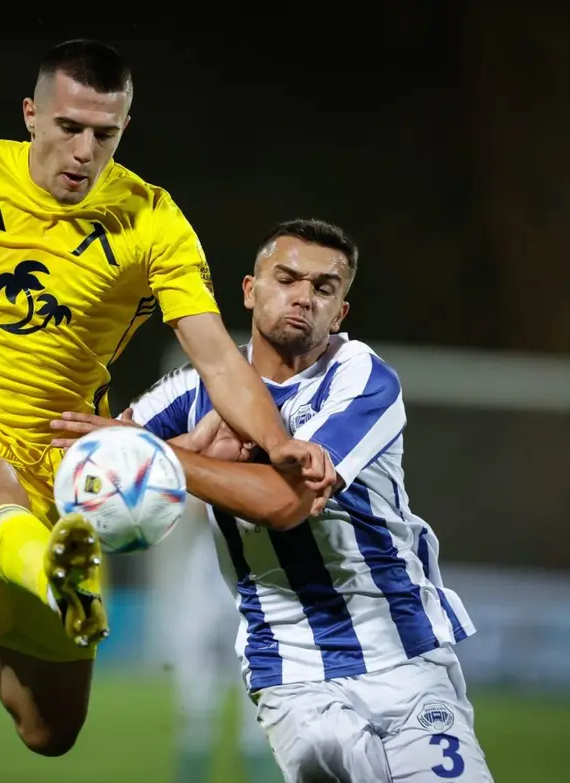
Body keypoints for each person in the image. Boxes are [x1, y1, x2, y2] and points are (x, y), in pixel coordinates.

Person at [0, 39, 336, 757]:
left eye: (104, 134)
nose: (83, 151)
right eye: (68, 127)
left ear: (125, 127)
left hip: (57, 471)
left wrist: (279, 441)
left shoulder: (152, 221)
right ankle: (46, 572)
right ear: (31, 114)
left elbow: (218, 358)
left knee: (49, 730)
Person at [52, 218, 494, 781]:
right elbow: (96, 473)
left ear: (340, 313)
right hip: (292, 670)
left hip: (403, 654)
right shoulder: (192, 389)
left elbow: (286, 504)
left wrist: (167, 459)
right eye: (287, 279)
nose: (304, 297)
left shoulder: (360, 378)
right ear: (250, 290)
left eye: (324, 288)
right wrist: (186, 449)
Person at [154, 496, 281, 783]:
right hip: (209, 577)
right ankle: (191, 772)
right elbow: (199, 509)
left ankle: (260, 769)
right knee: (195, 703)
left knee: (258, 707)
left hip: (257, 572)